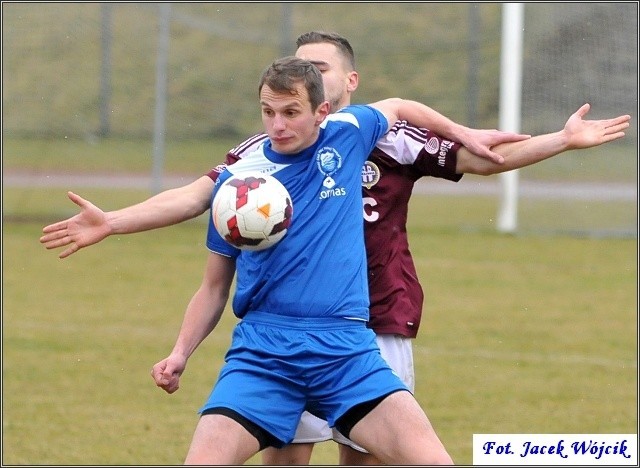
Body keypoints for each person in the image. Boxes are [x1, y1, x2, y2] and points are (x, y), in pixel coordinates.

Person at [40, 31, 631, 466]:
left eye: (293, 107)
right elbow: (196, 205)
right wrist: (113, 223)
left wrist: (474, 131)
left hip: (355, 338)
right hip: (265, 347)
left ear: (332, 97)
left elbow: (425, 122)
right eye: (269, 110)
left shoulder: (357, 135)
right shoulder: (245, 176)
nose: (278, 122)